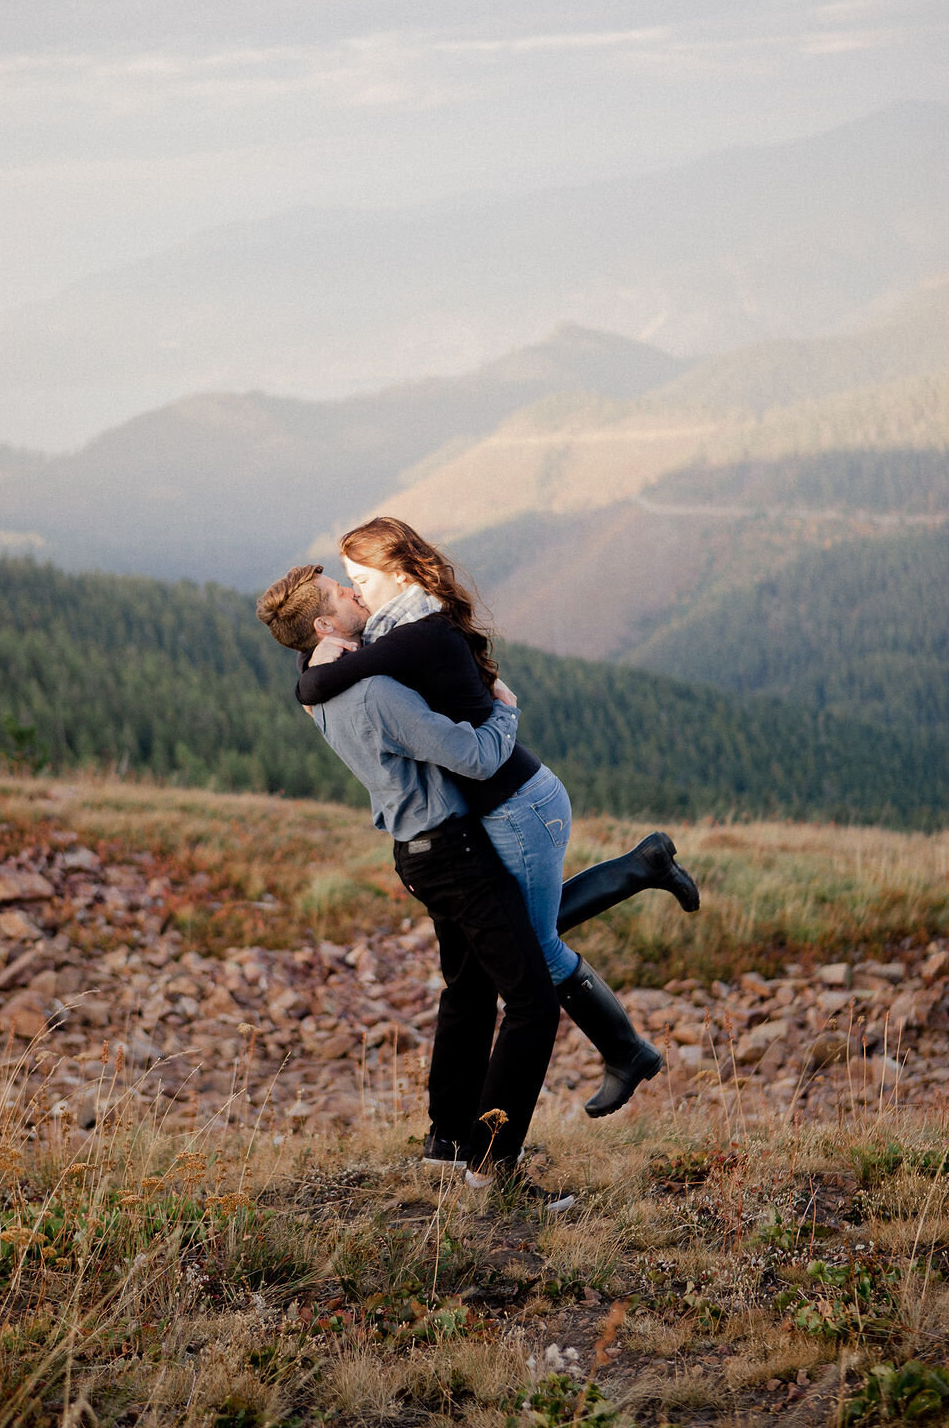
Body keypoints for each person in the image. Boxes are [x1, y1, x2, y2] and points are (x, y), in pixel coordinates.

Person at [293, 517, 699, 1121]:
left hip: (517, 804)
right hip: (513, 803)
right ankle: (642, 871)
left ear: (397, 573)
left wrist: (315, 666)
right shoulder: (402, 626)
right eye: (346, 583)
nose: (356, 591)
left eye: (360, 578)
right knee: (515, 937)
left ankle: (627, 1051)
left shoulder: (413, 635)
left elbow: (321, 685)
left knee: (532, 948)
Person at [257, 565, 574, 1210]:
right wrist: (505, 712)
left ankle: (448, 1148)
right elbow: (476, 755)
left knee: (469, 991)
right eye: (342, 593)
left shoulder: (323, 692)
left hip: (419, 853)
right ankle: (494, 1170)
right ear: (323, 625)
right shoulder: (371, 693)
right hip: (454, 851)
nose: (355, 593)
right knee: (533, 1003)